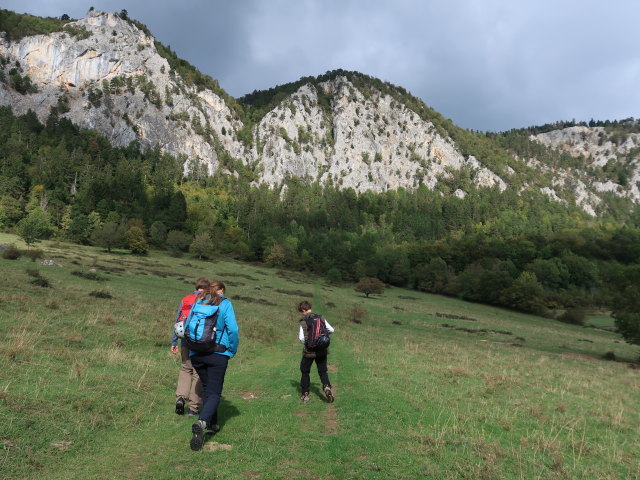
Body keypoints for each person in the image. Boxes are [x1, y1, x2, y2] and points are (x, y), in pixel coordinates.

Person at [189, 281, 239, 451]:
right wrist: (232, 349)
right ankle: (202, 422)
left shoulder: (199, 301)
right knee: (215, 392)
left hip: (196, 353)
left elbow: (188, 324)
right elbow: (233, 329)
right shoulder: (225, 304)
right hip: (217, 353)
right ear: (221, 290)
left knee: (208, 388)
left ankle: (213, 423)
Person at [171, 277, 209, 417]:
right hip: (201, 342)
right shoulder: (208, 301)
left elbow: (177, 321)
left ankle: (180, 398)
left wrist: (174, 342)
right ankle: (193, 408)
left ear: (196, 286)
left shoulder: (185, 299)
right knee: (197, 372)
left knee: (185, 368)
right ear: (208, 289)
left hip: (185, 339)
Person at [298, 300, 335, 403]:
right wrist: (321, 339)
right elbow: (331, 330)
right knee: (322, 371)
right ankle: (327, 387)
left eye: (302, 311)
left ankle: (305, 394)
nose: (302, 313)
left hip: (309, 351)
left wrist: (310, 342)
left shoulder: (303, 321)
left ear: (304, 310)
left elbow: (301, 338)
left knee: (305, 371)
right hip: (322, 350)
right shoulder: (320, 318)